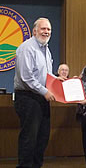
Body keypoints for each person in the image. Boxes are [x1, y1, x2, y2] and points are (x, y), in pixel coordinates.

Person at [14, 17, 63, 168]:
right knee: (30, 138)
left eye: (49, 29)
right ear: (34, 31)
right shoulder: (26, 48)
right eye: (43, 29)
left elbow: (46, 75)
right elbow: (26, 77)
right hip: (28, 98)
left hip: (42, 98)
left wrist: (59, 80)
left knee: (42, 137)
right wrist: (45, 91)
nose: (46, 32)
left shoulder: (46, 49)